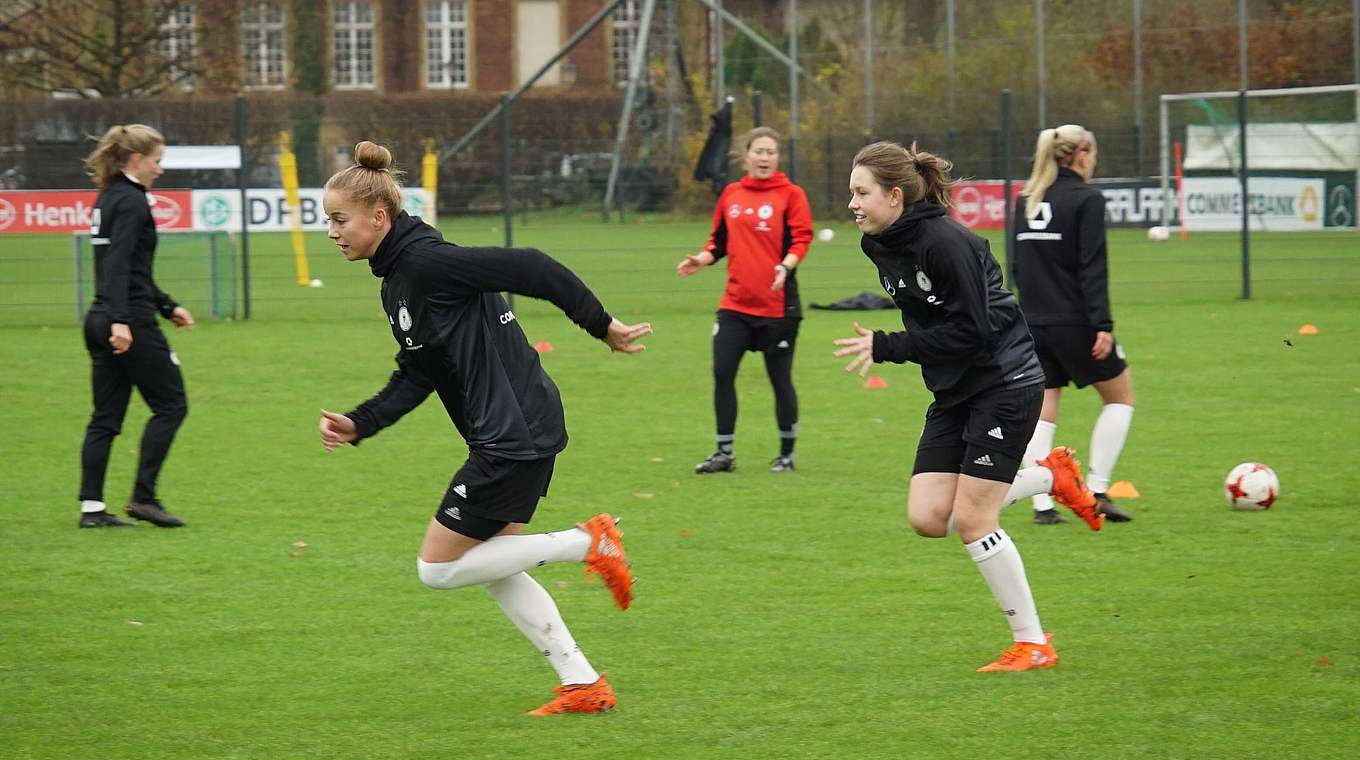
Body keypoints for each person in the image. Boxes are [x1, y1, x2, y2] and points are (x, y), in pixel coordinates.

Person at [318, 142, 649, 715]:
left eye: (339, 219)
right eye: (328, 220)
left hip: (513, 434)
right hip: (512, 429)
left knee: (438, 570)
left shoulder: (428, 263)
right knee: (495, 560)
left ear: (379, 217)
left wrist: (602, 325)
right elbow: (419, 370)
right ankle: (583, 684)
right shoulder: (397, 280)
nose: (331, 231)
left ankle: (587, 541)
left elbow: (535, 267)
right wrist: (360, 422)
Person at [833, 141, 1103, 672]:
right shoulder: (879, 242)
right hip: (955, 388)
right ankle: (1052, 477)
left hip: (1005, 380)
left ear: (894, 195)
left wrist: (887, 346)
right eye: (851, 194)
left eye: (861, 193)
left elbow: (972, 332)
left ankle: (1033, 643)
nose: (852, 205)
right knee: (928, 517)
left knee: (972, 517)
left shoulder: (945, 242)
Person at [1012, 125, 1135, 525]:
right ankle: (1096, 491)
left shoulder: (1027, 199)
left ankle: (1042, 505)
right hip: (1076, 322)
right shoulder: (1087, 199)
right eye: (1092, 152)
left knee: (1045, 410)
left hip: (1032, 321)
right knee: (1120, 397)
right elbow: (1091, 267)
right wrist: (1102, 324)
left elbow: (1016, 267)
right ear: (1080, 154)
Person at [76, 124, 194, 529]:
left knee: (104, 418)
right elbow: (120, 265)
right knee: (172, 404)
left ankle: (92, 509)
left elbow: (130, 271)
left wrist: (168, 305)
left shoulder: (108, 197)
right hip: (126, 322)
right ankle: (143, 498)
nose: (160, 170)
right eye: (158, 161)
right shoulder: (132, 202)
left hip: (99, 317)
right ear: (138, 160)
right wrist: (122, 321)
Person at [677, 126, 813, 474]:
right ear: (746, 155)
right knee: (722, 373)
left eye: (771, 152)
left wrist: (785, 265)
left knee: (780, 380)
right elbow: (718, 242)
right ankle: (724, 454)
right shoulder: (731, 194)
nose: (765, 158)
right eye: (759, 151)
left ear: (777, 158)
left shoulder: (791, 195)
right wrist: (701, 259)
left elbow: (801, 239)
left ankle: (786, 454)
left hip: (779, 308)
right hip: (735, 306)